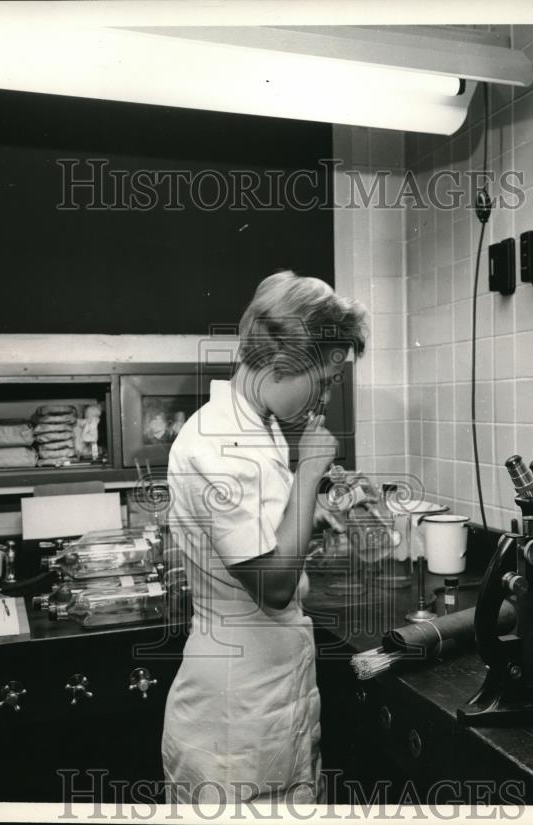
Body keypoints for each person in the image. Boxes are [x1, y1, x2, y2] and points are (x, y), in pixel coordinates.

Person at [162, 270, 369, 805]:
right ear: (287, 359)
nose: (325, 393)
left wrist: (309, 511)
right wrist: (310, 473)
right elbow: (273, 584)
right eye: (324, 378)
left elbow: (264, 529)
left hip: (268, 697)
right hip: (235, 718)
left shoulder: (259, 423)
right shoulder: (221, 443)